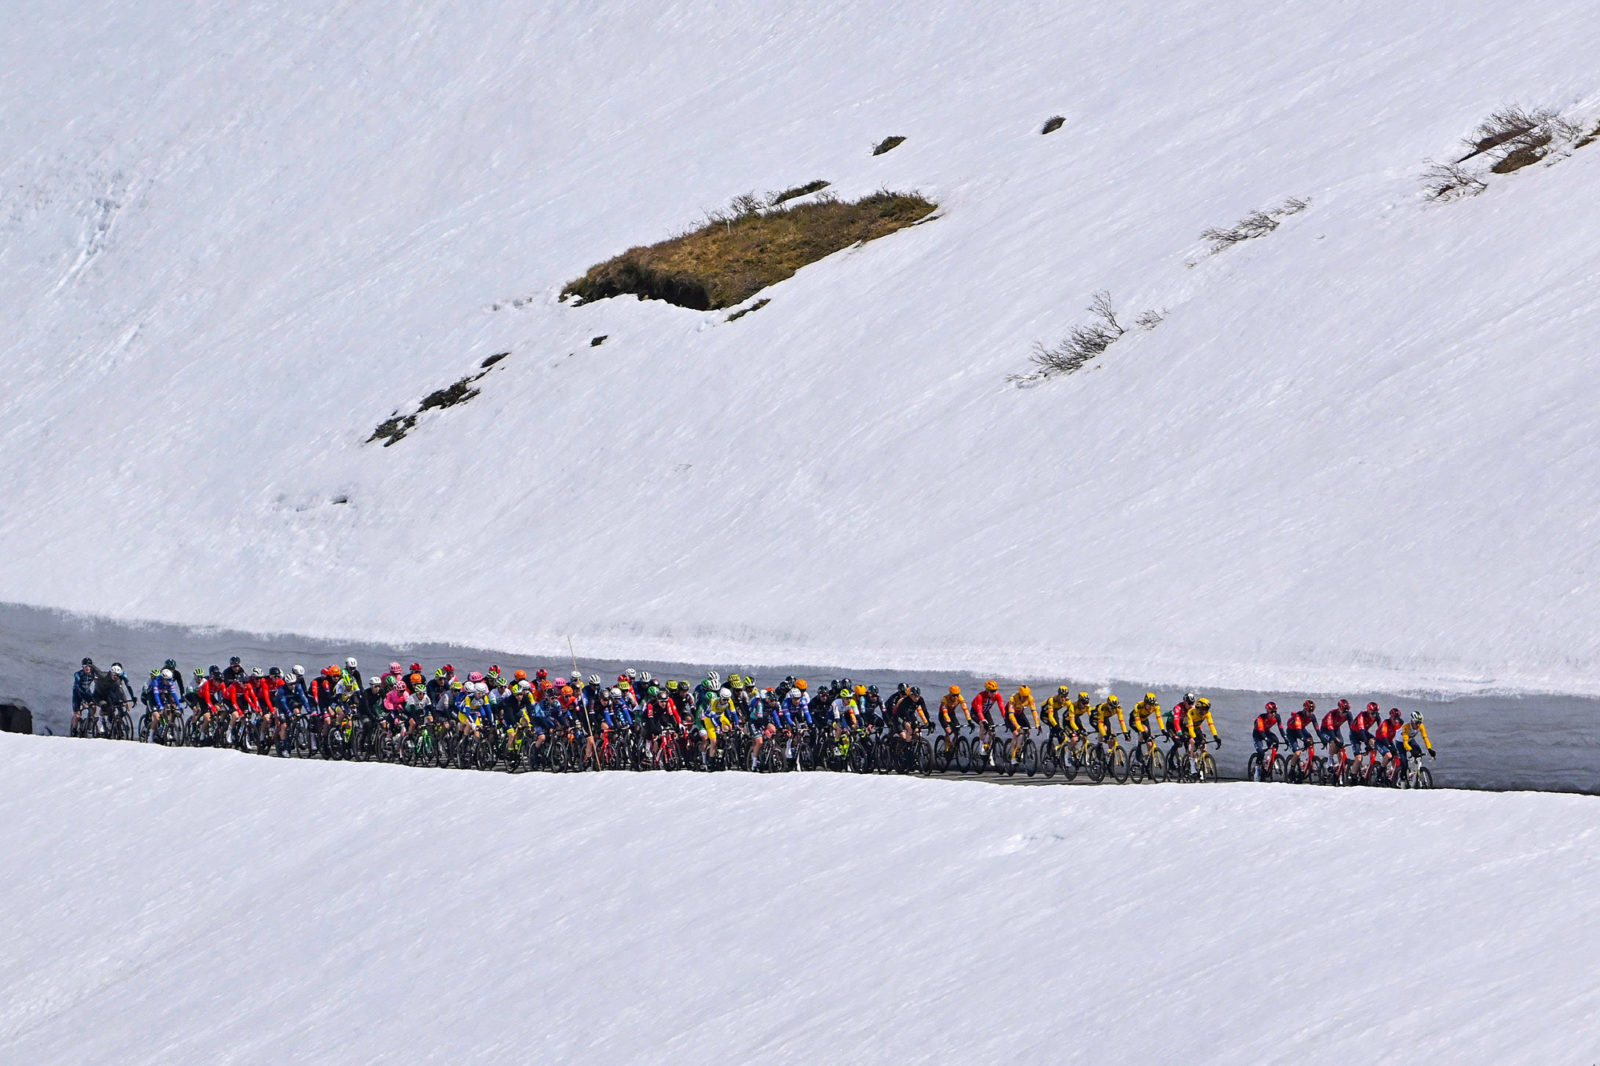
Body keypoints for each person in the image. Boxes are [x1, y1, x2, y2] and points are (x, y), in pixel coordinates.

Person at [1005, 685, 1037, 760]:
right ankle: (1013, 756)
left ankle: (1020, 748)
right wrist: (1017, 726)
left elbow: (1034, 711)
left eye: (1027, 696)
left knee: (1028, 731)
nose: (1025, 698)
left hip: (1019, 714)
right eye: (1024, 697)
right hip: (1010, 715)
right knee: (1016, 734)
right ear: (1020, 695)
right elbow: (1011, 715)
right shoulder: (1013, 699)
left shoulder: (1030, 698)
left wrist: (1037, 724)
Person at [71, 658, 100, 732]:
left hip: (87, 693)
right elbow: (77, 686)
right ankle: (74, 731)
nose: (87, 668)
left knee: (93, 707)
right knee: (77, 715)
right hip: (77, 694)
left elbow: (100, 678)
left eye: (89, 666)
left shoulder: (92, 674)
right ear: (82, 667)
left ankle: (89, 720)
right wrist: (83, 701)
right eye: (85, 666)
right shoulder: (78, 674)